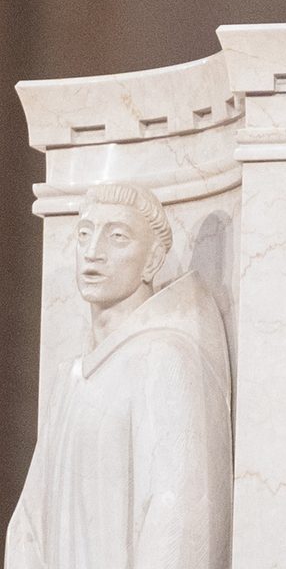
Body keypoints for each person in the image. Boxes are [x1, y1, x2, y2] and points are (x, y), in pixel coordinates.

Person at [6, 181, 233, 569]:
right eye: (84, 234)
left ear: (152, 260)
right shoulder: (72, 377)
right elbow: (30, 520)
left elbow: (177, 517)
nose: (93, 252)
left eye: (117, 237)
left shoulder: (164, 357)